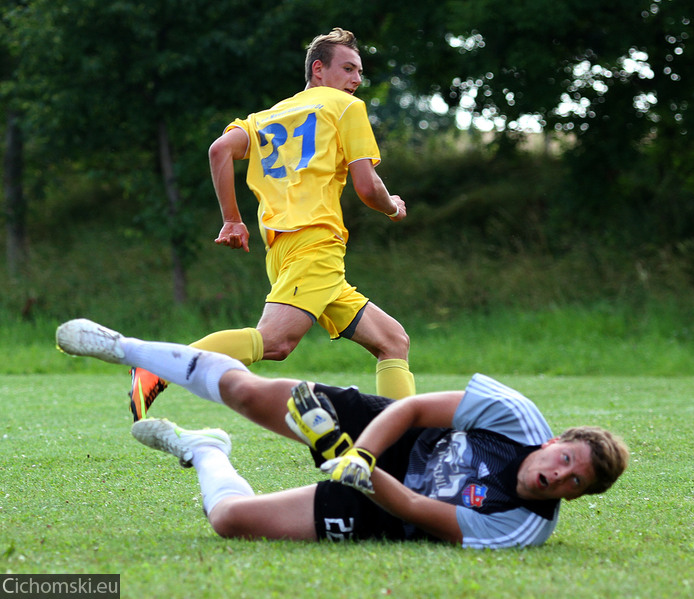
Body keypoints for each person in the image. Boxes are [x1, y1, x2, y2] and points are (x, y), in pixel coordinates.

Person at [56, 319, 630, 549]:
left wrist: (353, 468)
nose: (557, 474)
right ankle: (123, 347)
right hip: (393, 436)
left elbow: (411, 506)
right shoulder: (517, 417)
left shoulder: (520, 529)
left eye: (572, 482)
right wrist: (356, 451)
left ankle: (204, 447)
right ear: (555, 440)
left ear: (574, 497)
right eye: (564, 458)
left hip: (389, 512)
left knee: (231, 523)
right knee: (248, 393)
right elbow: (411, 410)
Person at [129, 27, 414, 421]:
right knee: (276, 342)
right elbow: (368, 187)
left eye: (359, 72)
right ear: (318, 69)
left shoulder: (268, 116)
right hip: (316, 241)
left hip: (284, 247)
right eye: (348, 68)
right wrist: (393, 207)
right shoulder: (346, 107)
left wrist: (233, 219)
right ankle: (160, 366)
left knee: (392, 341)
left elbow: (219, 150)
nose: (356, 80)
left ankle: (400, 443)